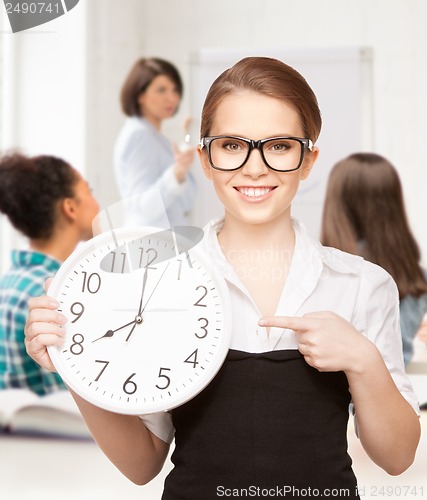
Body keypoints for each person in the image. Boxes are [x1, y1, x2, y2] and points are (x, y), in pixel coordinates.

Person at [24, 57, 420, 499]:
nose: (254, 167)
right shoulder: (157, 282)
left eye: (280, 145)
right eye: (231, 146)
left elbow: (397, 458)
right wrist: (73, 366)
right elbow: (142, 464)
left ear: (308, 161)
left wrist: (363, 361)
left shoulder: (361, 284)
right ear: (205, 159)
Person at [0, 153, 99, 395]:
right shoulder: (54, 296)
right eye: (89, 190)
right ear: (70, 207)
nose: (97, 202)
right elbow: (77, 396)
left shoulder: (12, 281)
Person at [320, 152, 427, 366]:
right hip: (394, 394)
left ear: (337, 204)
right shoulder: (417, 277)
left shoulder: (320, 271)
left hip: (338, 397)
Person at [114, 57, 197, 228]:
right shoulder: (139, 136)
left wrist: (188, 135)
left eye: (175, 90)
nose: (172, 98)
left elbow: (178, 162)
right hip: (151, 246)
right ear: (141, 95)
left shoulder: (151, 135)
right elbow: (144, 206)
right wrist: (177, 174)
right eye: (161, 90)